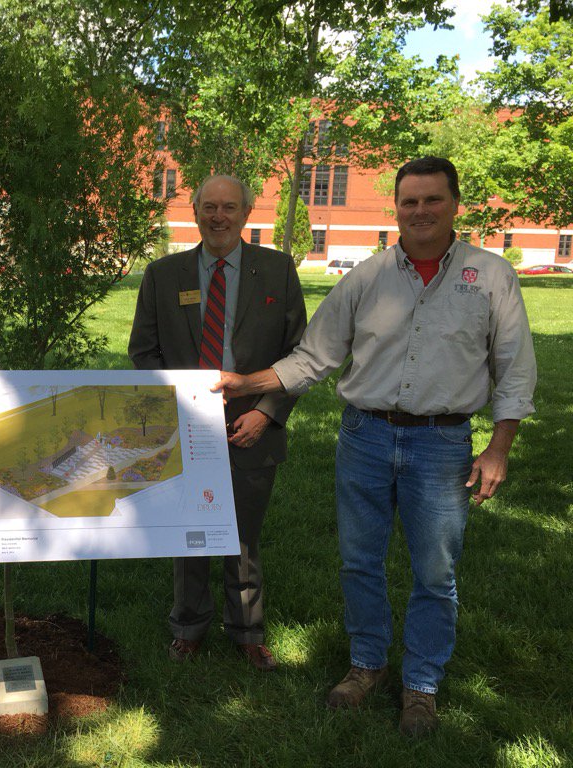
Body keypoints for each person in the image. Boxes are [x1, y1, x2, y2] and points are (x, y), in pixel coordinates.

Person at [214, 157, 537, 735]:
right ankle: (367, 664)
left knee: (435, 571)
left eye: (432, 200)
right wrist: (247, 383)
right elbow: (314, 356)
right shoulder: (365, 277)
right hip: (363, 436)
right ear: (396, 207)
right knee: (360, 562)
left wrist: (498, 448)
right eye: (409, 201)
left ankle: (422, 683)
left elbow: (515, 370)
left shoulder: (491, 276)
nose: (420, 211)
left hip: (442, 444)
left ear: (454, 205)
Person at [128, 174, 307, 669]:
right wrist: (173, 410)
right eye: (209, 206)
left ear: (247, 213)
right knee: (188, 529)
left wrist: (267, 415)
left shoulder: (277, 270)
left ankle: (247, 629)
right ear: (194, 209)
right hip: (183, 424)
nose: (218, 216)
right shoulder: (163, 274)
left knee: (243, 532)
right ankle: (188, 625)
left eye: (229, 207)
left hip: (252, 420)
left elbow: (299, 355)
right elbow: (143, 352)